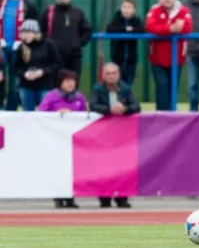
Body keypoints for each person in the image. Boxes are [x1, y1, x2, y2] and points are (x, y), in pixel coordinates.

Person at [90, 63, 141, 208]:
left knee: (123, 167)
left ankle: (122, 198)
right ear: (103, 75)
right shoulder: (98, 89)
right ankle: (104, 198)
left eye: (114, 73)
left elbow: (136, 106)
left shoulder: (125, 89)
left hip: (122, 136)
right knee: (103, 167)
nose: (111, 76)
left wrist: (124, 109)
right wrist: (109, 110)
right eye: (108, 73)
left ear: (118, 74)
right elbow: (93, 105)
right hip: (103, 136)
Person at [38, 69, 87, 209]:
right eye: (67, 81)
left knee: (73, 168)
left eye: (72, 80)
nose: (70, 83)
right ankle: (59, 197)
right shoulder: (51, 96)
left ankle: (71, 197)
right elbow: (40, 114)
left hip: (73, 139)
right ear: (60, 82)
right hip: (56, 138)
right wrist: (56, 114)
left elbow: (85, 115)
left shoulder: (80, 97)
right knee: (59, 167)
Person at [145, 0, 193, 110]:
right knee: (161, 87)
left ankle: (172, 116)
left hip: (177, 58)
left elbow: (187, 28)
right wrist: (170, 29)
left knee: (173, 89)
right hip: (157, 58)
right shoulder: (154, 10)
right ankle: (161, 116)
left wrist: (164, 28)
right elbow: (151, 27)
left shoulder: (183, 11)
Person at [0, 0, 38, 110]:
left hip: (20, 47)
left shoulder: (29, 4)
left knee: (15, 80)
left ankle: (11, 109)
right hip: (1, 45)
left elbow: (34, 26)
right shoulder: (1, 1)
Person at [39, 0, 92, 83]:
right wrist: (49, 46)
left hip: (74, 56)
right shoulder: (48, 12)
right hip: (54, 57)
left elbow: (87, 30)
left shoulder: (77, 12)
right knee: (55, 84)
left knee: (73, 83)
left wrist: (78, 43)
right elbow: (40, 31)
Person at [13, 20, 61, 111]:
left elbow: (57, 63)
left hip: (45, 85)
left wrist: (43, 71)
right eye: (22, 32)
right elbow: (16, 67)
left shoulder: (48, 44)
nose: (24, 35)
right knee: (28, 114)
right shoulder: (21, 47)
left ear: (35, 33)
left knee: (45, 113)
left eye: (26, 32)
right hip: (26, 86)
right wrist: (24, 74)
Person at [105, 0, 144, 86]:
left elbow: (141, 30)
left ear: (134, 10)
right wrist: (125, 29)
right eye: (124, 7)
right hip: (117, 58)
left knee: (128, 83)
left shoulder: (136, 20)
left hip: (131, 59)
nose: (126, 9)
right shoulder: (116, 19)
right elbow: (109, 29)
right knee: (116, 82)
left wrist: (132, 30)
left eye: (129, 7)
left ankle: (126, 99)